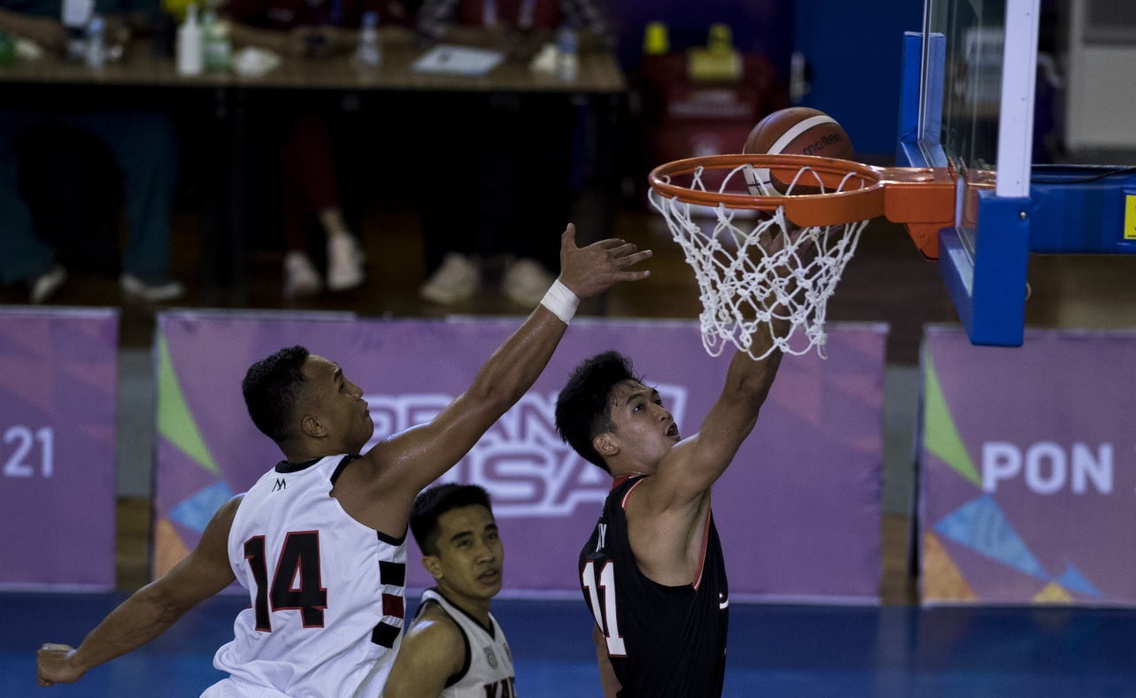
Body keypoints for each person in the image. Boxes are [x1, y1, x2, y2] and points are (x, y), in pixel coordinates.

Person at [35, 223, 651, 695]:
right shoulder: (372, 482)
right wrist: (566, 291)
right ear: (313, 424)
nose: (357, 390)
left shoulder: (236, 514)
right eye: (340, 385)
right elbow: (490, 396)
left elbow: (161, 601)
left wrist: (78, 661)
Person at [554, 261, 791, 696]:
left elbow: (603, 643)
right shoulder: (661, 495)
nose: (662, 411)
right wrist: (780, 279)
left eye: (656, 399)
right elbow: (742, 398)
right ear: (606, 444)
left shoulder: (597, 545)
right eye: (639, 408)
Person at [415, 0, 614, 308]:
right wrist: (482, 38)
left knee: (548, 137)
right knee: (447, 140)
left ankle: (531, 258)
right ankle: (455, 257)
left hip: (541, 87)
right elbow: (426, 29)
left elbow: (601, 32)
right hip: (464, 86)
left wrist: (546, 38)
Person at [221, 0, 415, 297]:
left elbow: (405, 33)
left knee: (303, 134)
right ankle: (336, 236)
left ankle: (299, 256)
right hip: (271, 96)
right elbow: (222, 24)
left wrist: (345, 40)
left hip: (350, 98)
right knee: (298, 126)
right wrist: (281, 42)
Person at [0, 0, 185, 303]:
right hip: (18, 89)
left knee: (154, 133)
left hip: (100, 90)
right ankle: (27, 263)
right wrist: (26, 26)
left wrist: (122, 23)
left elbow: (150, 15)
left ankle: (146, 267)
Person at [384, 483, 515, 697]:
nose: (486, 554)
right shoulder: (436, 638)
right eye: (465, 543)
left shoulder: (481, 618)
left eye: (490, 536)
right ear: (434, 565)